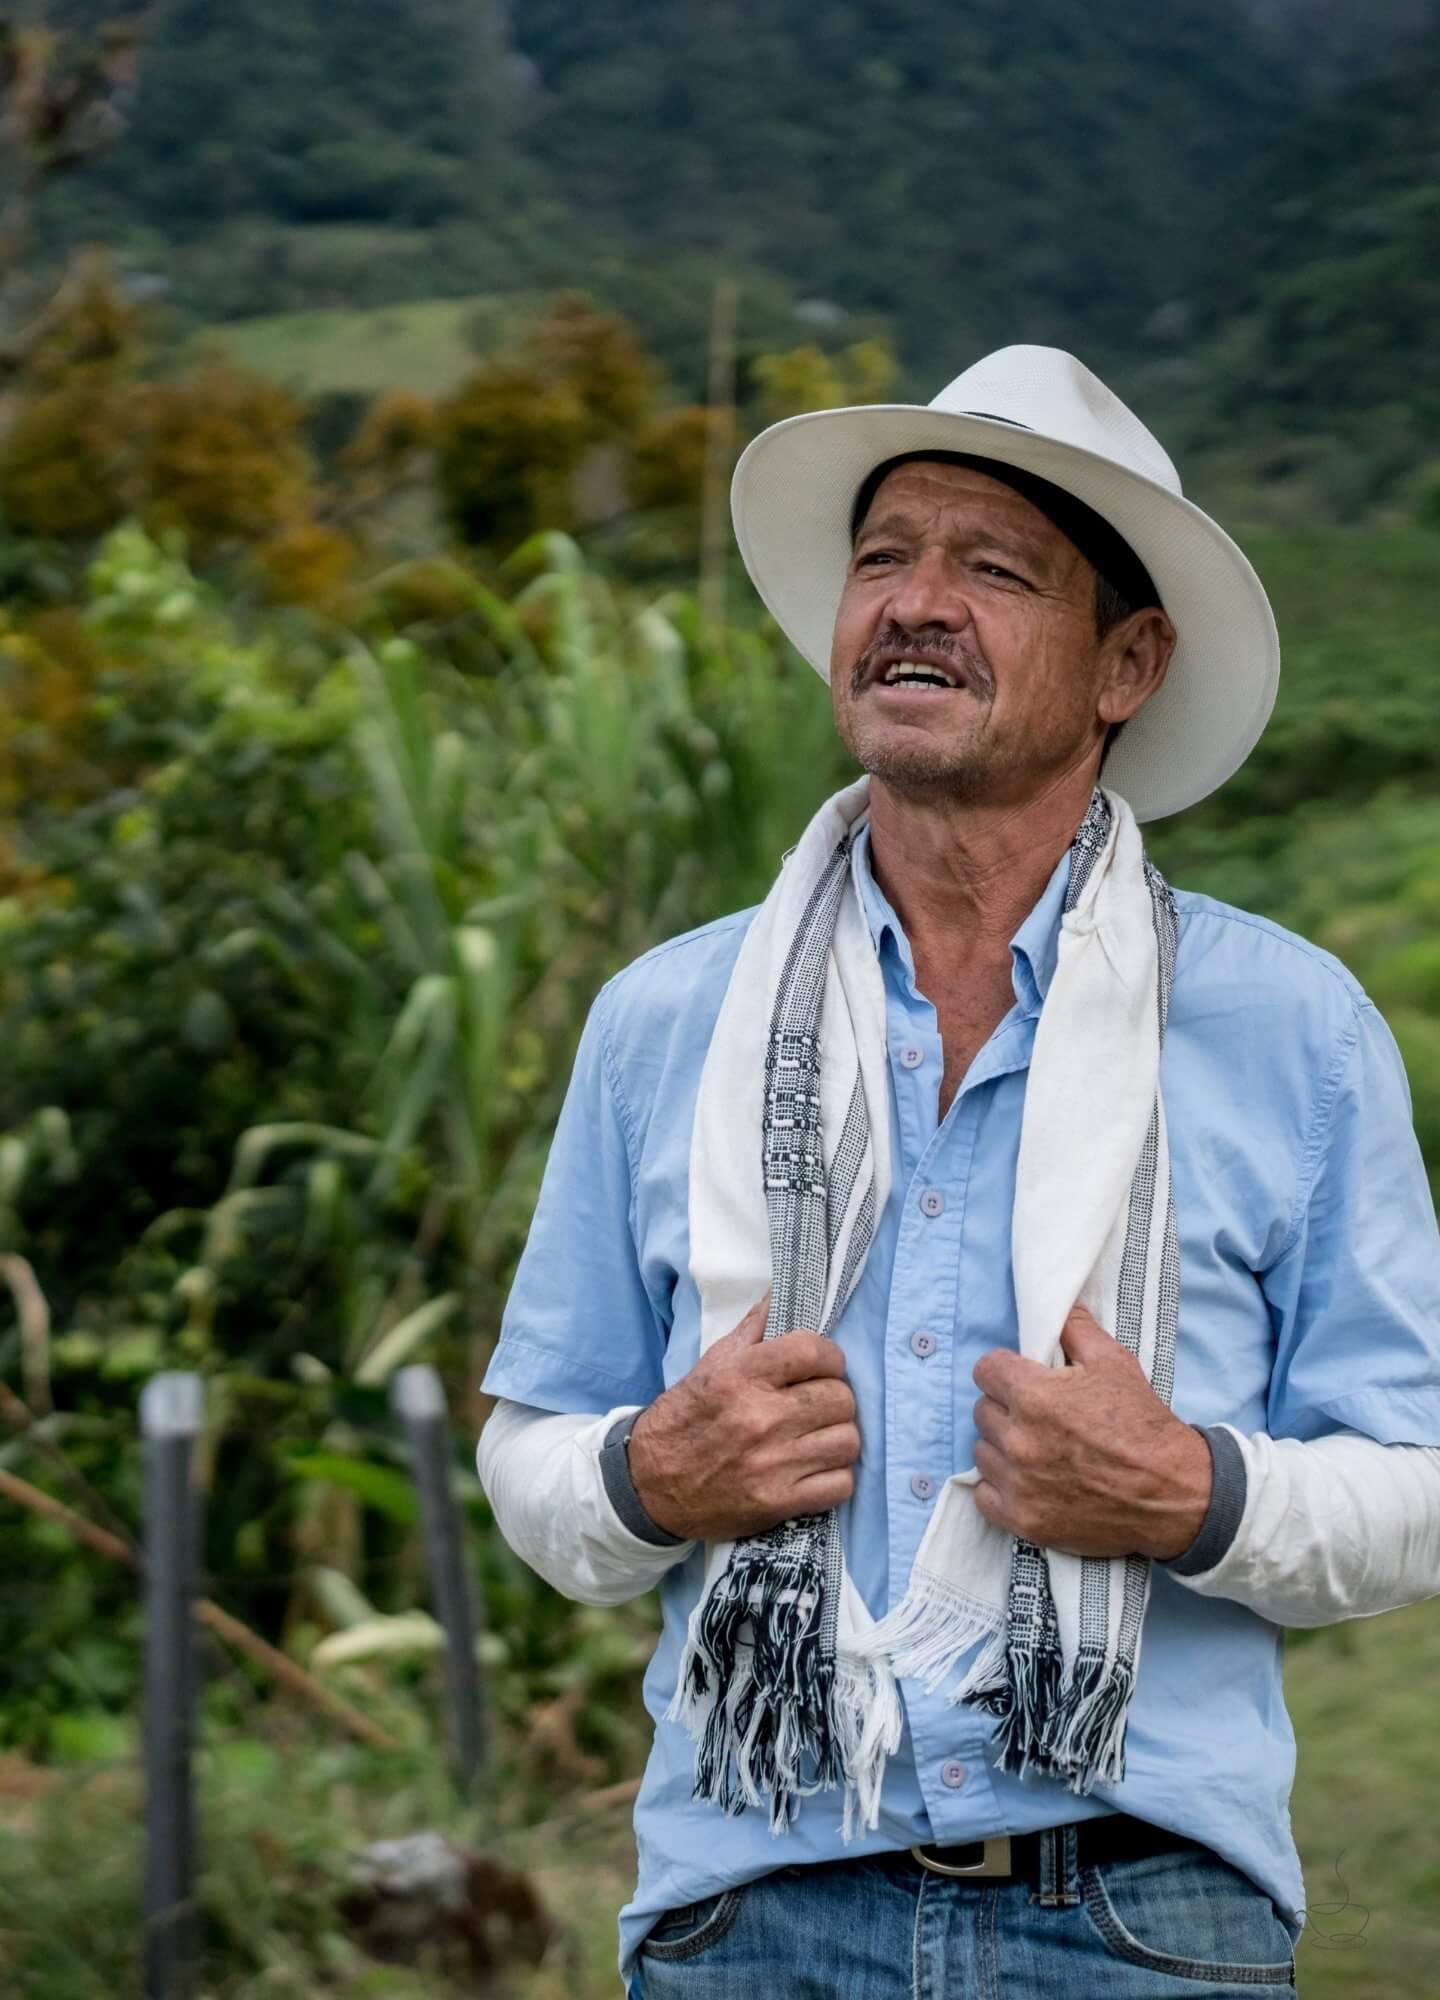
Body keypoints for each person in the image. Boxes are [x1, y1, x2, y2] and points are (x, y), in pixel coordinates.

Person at [475, 345, 1440, 1999]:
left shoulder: (1294, 1028)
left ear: (1127, 661)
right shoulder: (666, 1022)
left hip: (1146, 1924)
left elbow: (1418, 1489)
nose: (917, 603)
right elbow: (532, 1459)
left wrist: (1192, 1495)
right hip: (749, 1917)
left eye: (993, 570)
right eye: (882, 559)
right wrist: (650, 1475)